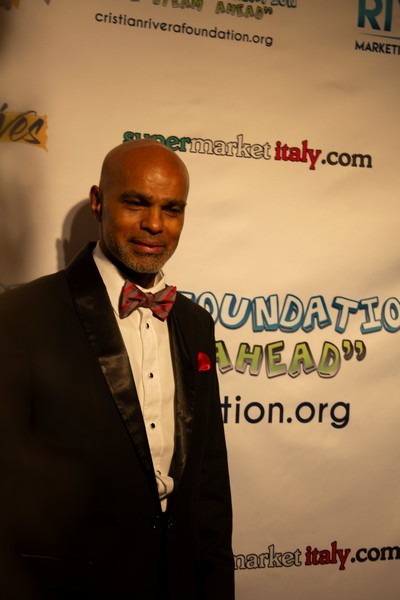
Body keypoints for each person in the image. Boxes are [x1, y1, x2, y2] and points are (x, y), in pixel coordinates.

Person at [0, 140, 234, 599]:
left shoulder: (195, 324)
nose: (155, 224)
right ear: (98, 202)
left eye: (172, 209)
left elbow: (209, 478)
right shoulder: (23, 315)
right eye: (136, 203)